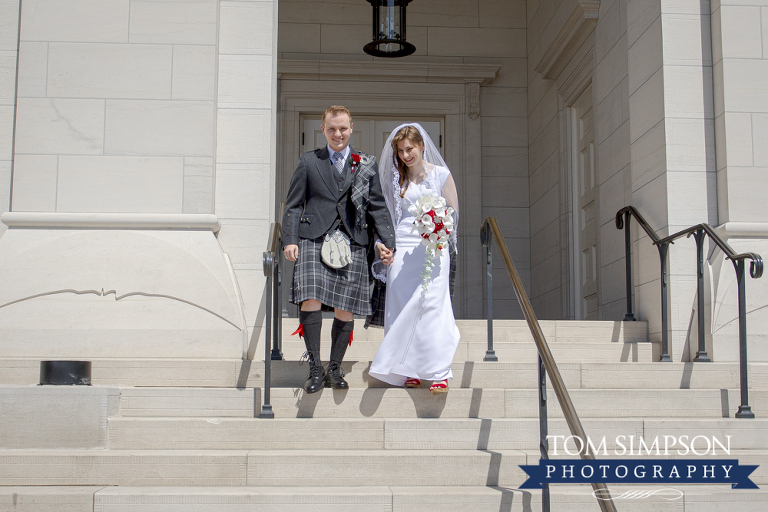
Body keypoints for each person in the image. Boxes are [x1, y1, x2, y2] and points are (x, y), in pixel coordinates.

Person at [283, 105, 396, 394]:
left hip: (352, 239)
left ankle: (334, 367)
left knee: (345, 308)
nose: (337, 133)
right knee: (310, 300)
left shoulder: (365, 163)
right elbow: (294, 204)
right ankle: (314, 369)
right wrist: (290, 239)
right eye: (332, 128)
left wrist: (387, 241)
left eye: (343, 128)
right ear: (323, 129)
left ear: (351, 128)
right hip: (313, 237)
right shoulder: (309, 161)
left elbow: (377, 207)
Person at [367, 123, 461, 394]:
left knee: (433, 305)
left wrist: (439, 225)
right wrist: (382, 246)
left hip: (433, 246)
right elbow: (384, 219)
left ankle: (439, 372)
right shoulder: (396, 180)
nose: (406, 155)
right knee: (401, 302)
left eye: (410, 149)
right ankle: (408, 369)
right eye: (401, 151)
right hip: (404, 246)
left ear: (421, 147)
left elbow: (453, 214)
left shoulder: (441, 175)